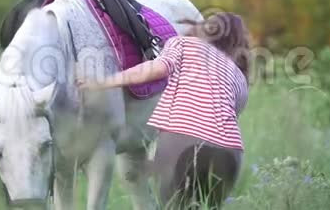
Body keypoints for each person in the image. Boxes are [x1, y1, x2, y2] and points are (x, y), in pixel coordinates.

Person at [78, 12, 250, 208]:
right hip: (230, 152)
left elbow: (157, 69)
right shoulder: (238, 76)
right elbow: (225, 118)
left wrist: (103, 82)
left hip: (182, 139)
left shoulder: (185, 44)